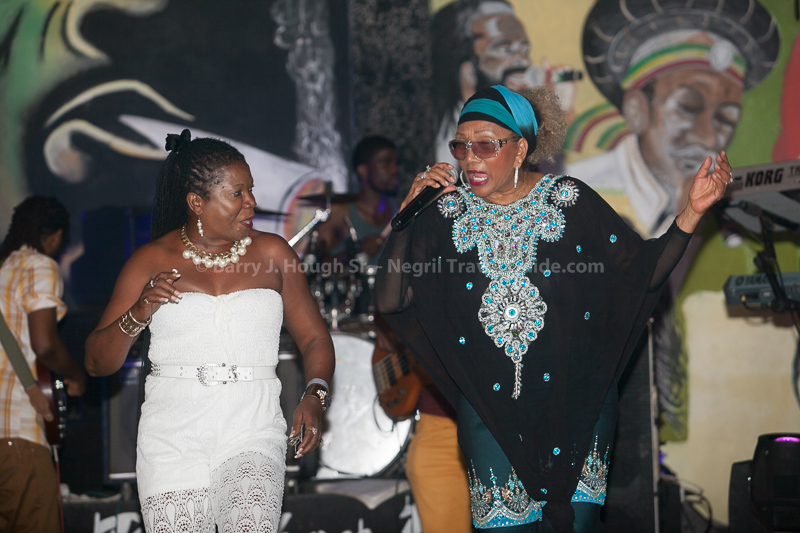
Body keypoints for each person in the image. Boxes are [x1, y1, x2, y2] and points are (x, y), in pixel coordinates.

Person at [376, 84, 731, 532]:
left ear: (521, 148)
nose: (470, 159)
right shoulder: (445, 217)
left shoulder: (569, 200)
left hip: (576, 409)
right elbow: (391, 300)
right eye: (461, 146)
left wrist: (692, 212)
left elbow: (643, 272)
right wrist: (406, 218)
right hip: (490, 417)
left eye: (485, 145)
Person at [84, 130, 335, 532]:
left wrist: (315, 395)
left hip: (251, 429)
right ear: (197, 202)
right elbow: (97, 363)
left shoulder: (274, 253)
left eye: (251, 190)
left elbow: (315, 338)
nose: (251, 202)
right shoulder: (150, 260)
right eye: (238, 193)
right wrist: (140, 310)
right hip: (171, 438)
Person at [0, 196, 87, 532]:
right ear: (55, 236)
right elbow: (45, 344)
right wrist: (76, 375)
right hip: (16, 430)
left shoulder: (4, 270)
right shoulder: (38, 265)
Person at [432, 0, 578, 167]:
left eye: (524, 51)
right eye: (505, 50)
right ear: (468, 72)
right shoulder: (436, 140)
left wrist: (560, 112)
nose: (523, 61)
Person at [316, 135, 400, 264]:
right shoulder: (339, 213)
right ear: (363, 170)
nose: (395, 169)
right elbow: (315, 268)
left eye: (396, 163)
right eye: (386, 162)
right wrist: (355, 253)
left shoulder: (401, 212)